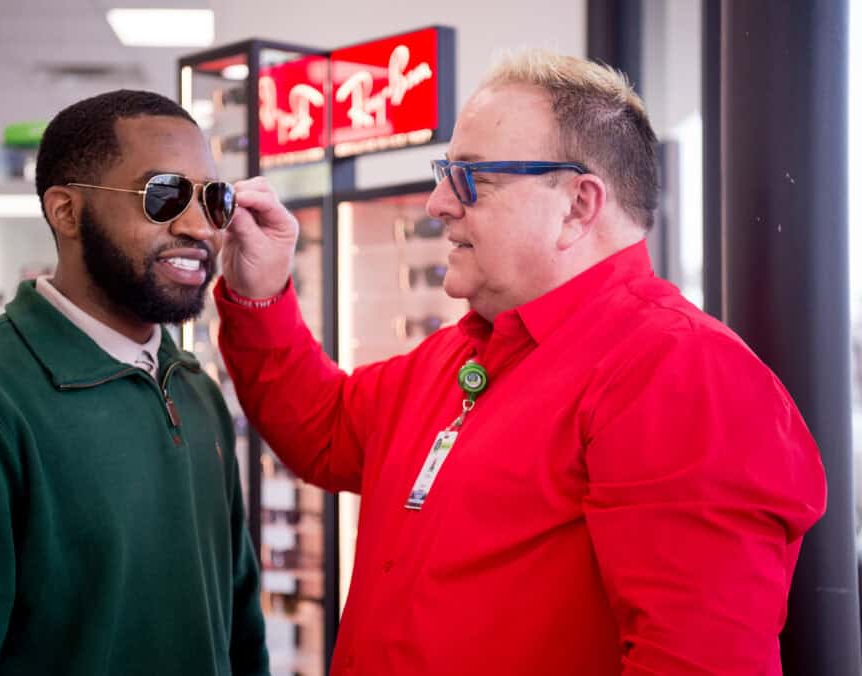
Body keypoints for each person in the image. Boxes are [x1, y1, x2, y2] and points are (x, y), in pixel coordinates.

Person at [215, 51, 827, 674]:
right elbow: (323, 428)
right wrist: (259, 294)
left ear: (579, 205)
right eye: (445, 172)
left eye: (473, 177)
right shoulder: (465, 351)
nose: (437, 204)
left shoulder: (678, 373)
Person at [0, 90, 268, 675]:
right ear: (66, 211)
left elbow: (239, 628)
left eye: (214, 198)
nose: (199, 226)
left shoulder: (195, 390)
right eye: (163, 196)